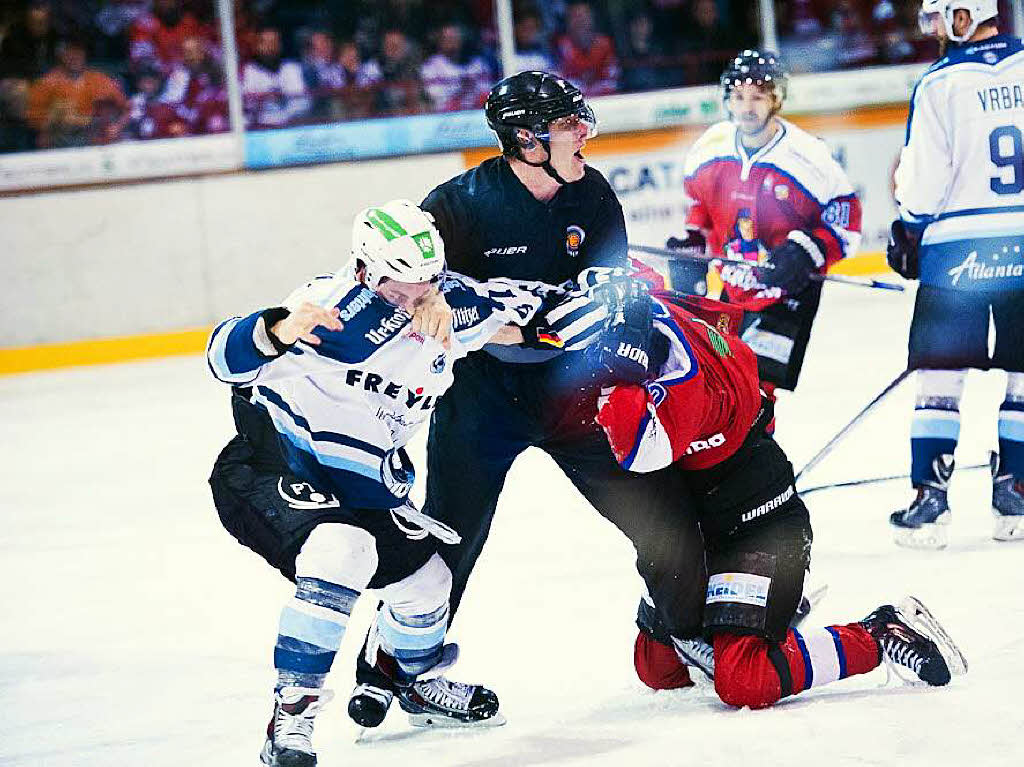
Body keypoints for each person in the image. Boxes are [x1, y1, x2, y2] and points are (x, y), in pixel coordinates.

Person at [347, 70, 705, 726]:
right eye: (570, 125)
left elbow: (614, 292)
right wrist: (514, 322)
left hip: (572, 394)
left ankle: (691, 627)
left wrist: (625, 326)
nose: (585, 133)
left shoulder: (592, 194)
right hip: (482, 394)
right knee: (451, 537)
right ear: (527, 140)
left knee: (660, 513)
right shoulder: (459, 204)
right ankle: (393, 664)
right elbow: (416, 296)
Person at [207, 200, 546, 765]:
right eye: (397, 290)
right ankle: (290, 721)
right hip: (271, 469)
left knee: (429, 584)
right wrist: (278, 329)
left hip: (361, 489)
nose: (412, 302)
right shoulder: (322, 307)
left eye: (424, 286)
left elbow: (519, 317)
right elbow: (223, 359)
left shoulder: (442, 307)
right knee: (343, 551)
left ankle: (413, 680)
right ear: (365, 270)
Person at [576, 277, 967, 706]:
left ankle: (877, 633)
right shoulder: (652, 331)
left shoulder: (682, 392)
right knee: (655, 668)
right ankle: (729, 621)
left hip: (759, 526)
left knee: (744, 680)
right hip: (695, 522)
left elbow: (635, 451)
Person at [885, 0, 1024, 547]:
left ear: (963, 14)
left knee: (940, 375)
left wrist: (909, 229)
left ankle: (931, 498)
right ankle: (1015, 492)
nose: (937, 29)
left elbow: (924, 178)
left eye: (941, 17)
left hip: (957, 249)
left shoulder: (940, 83)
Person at [666, 50, 862, 397]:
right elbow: (700, 210)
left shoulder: (807, 155)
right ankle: (744, 452)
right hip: (734, 288)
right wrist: (691, 246)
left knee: (755, 389)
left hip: (787, 292)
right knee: (722, 386)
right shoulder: (710, 148)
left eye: (758, 96)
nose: (747, 106)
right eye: (738, 96)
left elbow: (845, 215)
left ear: (777, 98)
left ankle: (759, 451)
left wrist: (808, 252)